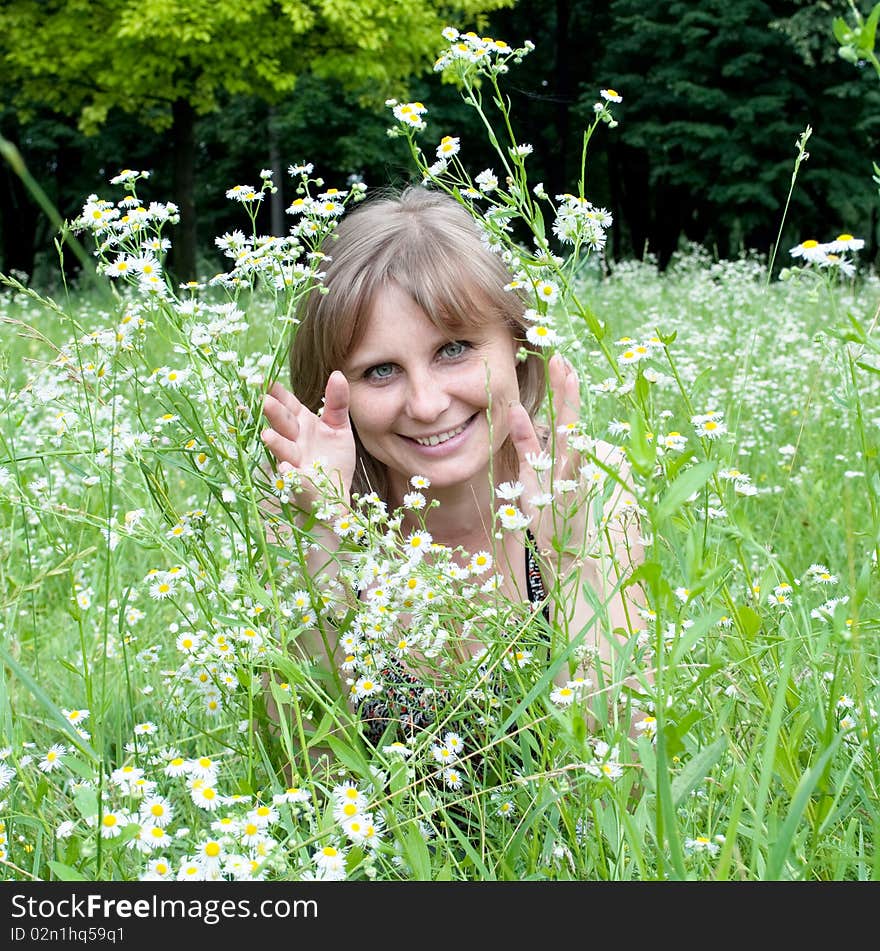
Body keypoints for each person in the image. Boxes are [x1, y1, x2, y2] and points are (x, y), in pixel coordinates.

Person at [260, 185, 645, 750]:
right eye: (380, 371)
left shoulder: (594, 484)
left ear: (518, 340)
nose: (426, 403)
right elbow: (310, 768)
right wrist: (329, 536)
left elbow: (625, 770)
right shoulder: (302, 504)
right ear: (331, 387)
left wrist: (567, 559)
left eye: (454, 349)